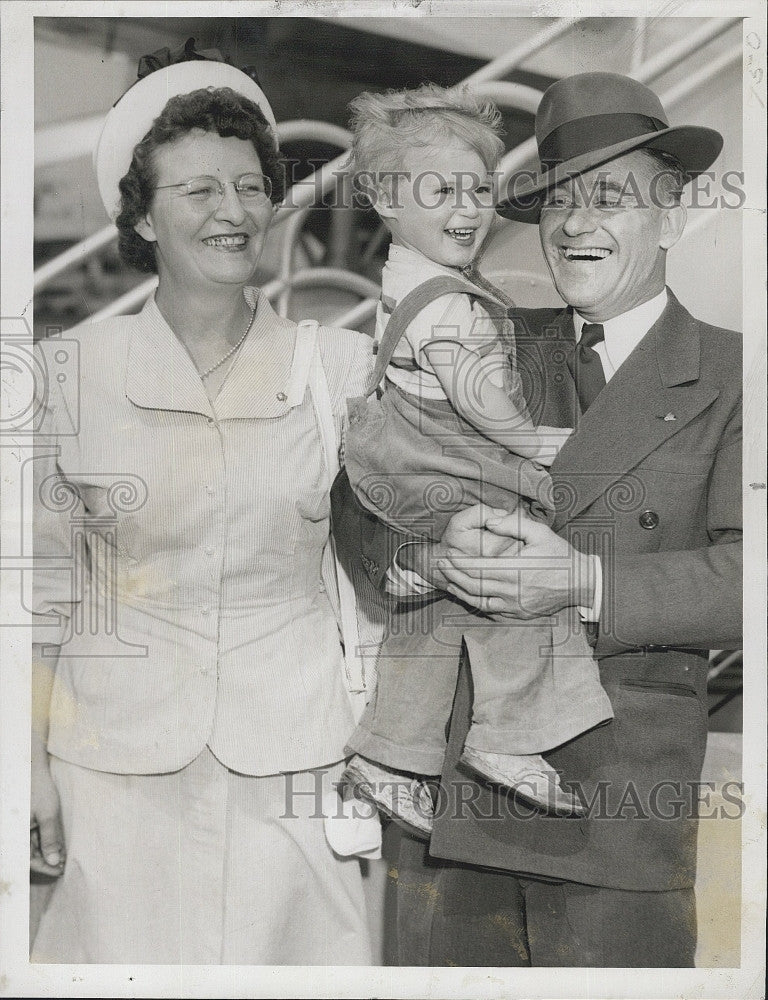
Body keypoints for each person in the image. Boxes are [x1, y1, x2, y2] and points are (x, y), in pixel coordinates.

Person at [332, 71, 742, 967]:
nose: (575, 225)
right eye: (558, 202)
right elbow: (357, 513)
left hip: (621, 824)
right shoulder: (479, 340)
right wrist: (427, 561)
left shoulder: (733, 374)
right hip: (450, 823)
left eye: (611, 198)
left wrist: (585, 580)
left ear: (671, 216)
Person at [30, 46, 375, 964]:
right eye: (197, 192)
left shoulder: (337, 370)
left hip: (298, 758)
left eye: (250, 186)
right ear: (141, 216)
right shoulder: (68, 375)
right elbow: (37, 597)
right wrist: (21, 765)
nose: (234, 212)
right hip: (113, 762)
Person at [340, 84, 613, 830]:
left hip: (411, 470)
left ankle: (389, 753)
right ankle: (509, 735)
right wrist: (549, 446)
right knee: (519, 588)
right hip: (446, 462)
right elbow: (486, 405)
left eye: (480, 190)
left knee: (440, 612)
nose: (467, 210)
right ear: (384, 198)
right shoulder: (451, 305)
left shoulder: (408, 279)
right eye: (442, 192)